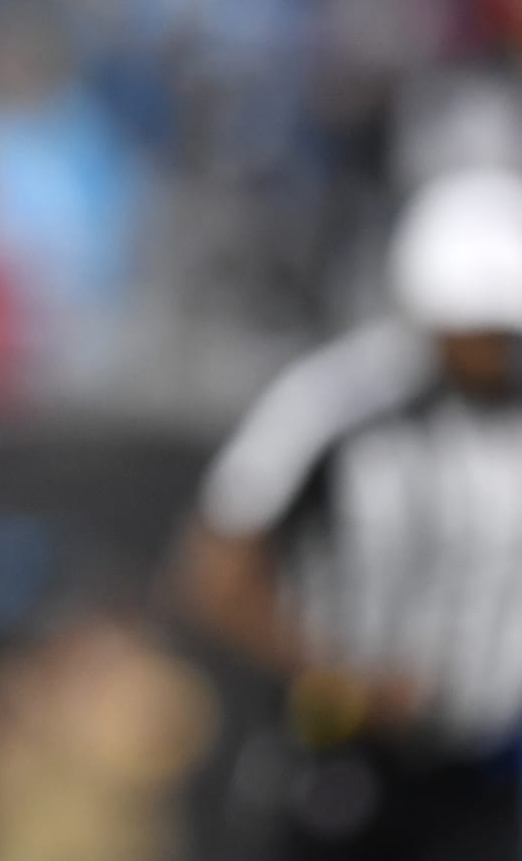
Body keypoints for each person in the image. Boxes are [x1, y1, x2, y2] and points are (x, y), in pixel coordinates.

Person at [178, 166, 522, 861]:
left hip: (496, 767)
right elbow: (215, 574)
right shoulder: (337, 404)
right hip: (347, 756)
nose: (497, 353)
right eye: (481, 331)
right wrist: (340, 683)